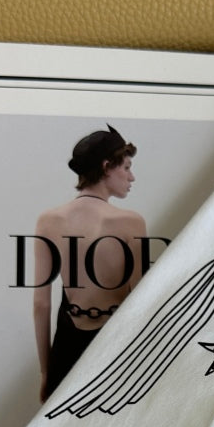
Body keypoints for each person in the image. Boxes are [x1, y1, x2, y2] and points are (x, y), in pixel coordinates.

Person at [33, 126, 147, 402]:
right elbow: (140, 302)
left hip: (66, 349)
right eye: (126, 167)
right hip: (114, 348)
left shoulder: (48, 221)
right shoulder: (130, 223)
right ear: (107, 167)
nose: (131, 177)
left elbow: (41, 305)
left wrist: (46, 372)